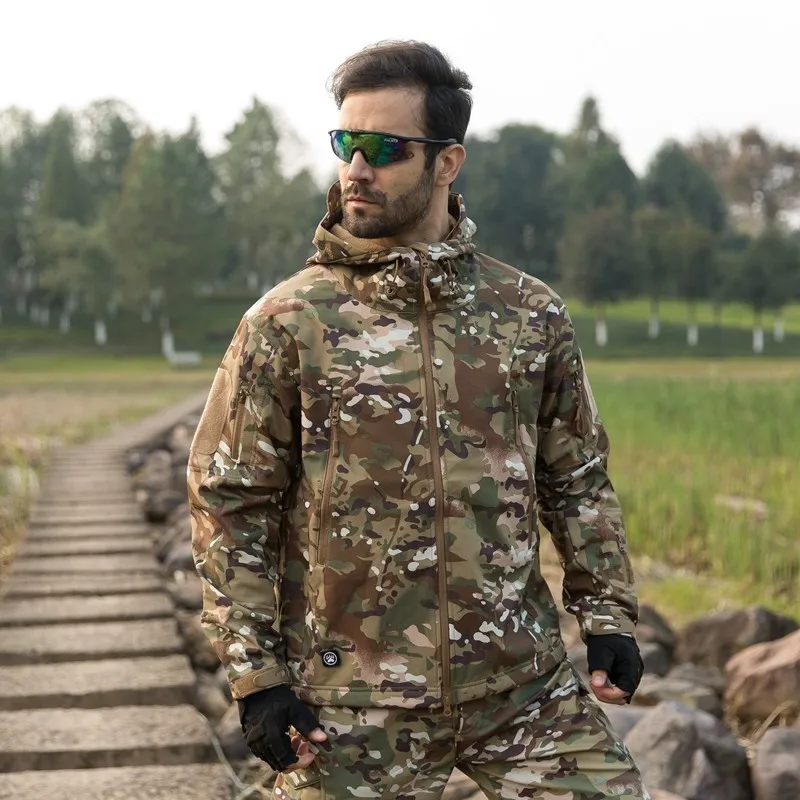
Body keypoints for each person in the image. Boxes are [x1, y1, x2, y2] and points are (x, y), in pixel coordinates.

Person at [188, 40, 648, 800]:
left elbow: (576, 478)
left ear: (446, 163)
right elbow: (229, 501)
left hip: (519, 686)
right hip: (351, 700)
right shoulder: (289, 322)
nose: (355, 169)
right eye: (345, 143)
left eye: (383, 148)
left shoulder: (527, 314)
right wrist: (257, 676)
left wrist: (606, 616)